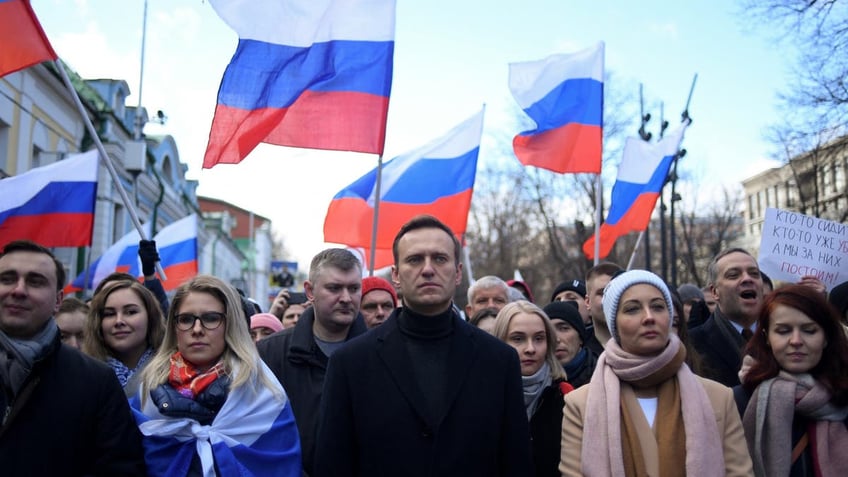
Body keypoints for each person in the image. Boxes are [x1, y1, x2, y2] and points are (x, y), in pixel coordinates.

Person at [314, 215, 532, 477]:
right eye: (415, 259)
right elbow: (332, 464)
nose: (428, 269)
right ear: (396, 274)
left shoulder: (499, 360)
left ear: (458, 272)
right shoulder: (350, 362)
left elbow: (516, 461)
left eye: (439, 259)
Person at [559, 269, 753, 477]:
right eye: (632, 309)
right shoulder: (580, 404)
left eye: (658, 307)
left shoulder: (718, 397)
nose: (649, 317)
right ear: (614, 322)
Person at [0, 240, 146, 476]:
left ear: (58, 300)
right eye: (7, 279)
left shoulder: (97, 381)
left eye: (35, 281)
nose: (18, 290)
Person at [132, 275, 301, 476]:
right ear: (174, 327)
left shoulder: (264, 392)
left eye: (211, 318)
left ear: (231, 324)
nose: (196, 330)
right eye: (185, 319)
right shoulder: (147, 389)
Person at [257, 248, 367, 477]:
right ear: (309, 291)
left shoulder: (379, 353)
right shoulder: (270, 353)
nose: (346, 298)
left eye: (354, 288)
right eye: (334, 288)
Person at [736, 284, 848, 477]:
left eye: (809, 330)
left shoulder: (844, 397)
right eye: (783, 330)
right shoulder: (738, 400)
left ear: (826, 338)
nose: (796, 340)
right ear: (767, 337)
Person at [493, 301, 570, 477]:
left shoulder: (566, 396)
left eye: (539, 338)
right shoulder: (482, 397)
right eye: (518, 339)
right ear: (498, 341)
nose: (530, 349)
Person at [84, 279, 165, 395]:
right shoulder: (82, 375)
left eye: (131, 312)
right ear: (98, 322)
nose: (119, 321)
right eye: (109, 314)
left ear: (151, 317)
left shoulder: (176, 372)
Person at [542, 300, 597, 389]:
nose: (556, 339)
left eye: (564, 329)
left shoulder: (602, 374)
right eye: (549, 332)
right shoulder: (538, 384)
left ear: (580, 338)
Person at [583, 261, 622, 355]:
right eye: (602, 293)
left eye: (615, 292)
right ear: (588, 302)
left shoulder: (643, 344)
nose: (609, 299)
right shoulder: (578, 352)